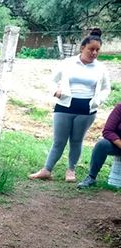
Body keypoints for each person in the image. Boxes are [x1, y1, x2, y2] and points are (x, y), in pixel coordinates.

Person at [29, 28, 111, 182]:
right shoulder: (68, 63)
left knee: (76, 140)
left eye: (97, 50)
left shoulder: (101, 68)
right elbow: (51, 80)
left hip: (86, 110)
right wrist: (55, 91)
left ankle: (71, 171)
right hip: (64, 106)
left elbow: (107, 88)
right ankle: (46, 170)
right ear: (82, 48)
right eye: (91, 49)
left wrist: (98, 100)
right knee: (59, 141)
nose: (94, 53)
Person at [77, 103, 121, 188]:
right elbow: (108, 131)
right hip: (118, 144)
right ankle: (91, 177)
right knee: (102, 145)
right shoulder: (120, 108)